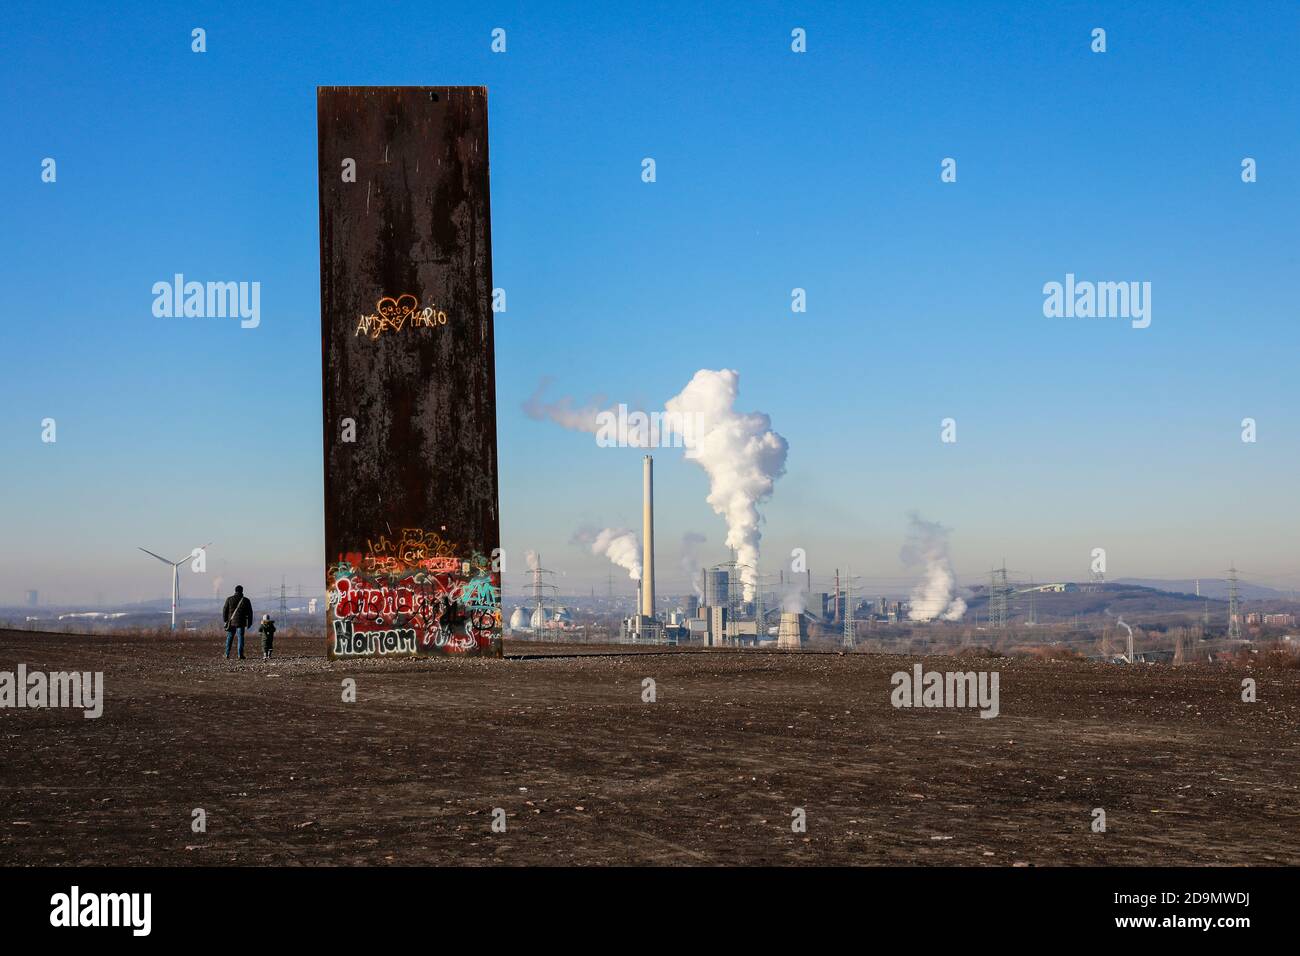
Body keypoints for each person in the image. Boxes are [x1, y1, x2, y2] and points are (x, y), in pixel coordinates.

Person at [222, 585, 253, 660]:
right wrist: (249, 623)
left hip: (231, 622)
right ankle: (240, 655)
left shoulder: (229, 599)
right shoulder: (246, 600)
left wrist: (225, 620)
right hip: (241, 622)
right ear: (242, 591)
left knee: (229, 638)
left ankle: (226, 654)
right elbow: (250, 613)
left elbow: (224, 610)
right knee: (240, 638)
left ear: (235, 591)